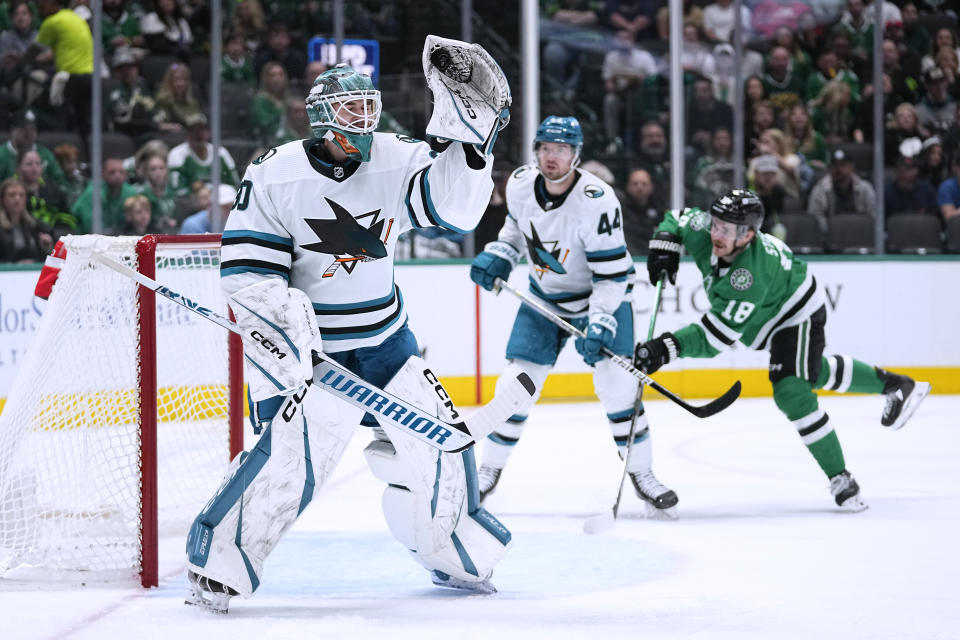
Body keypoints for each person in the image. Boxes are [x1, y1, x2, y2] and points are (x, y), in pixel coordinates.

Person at [185, 49, 513, 613]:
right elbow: (247, 274)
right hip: (314, 356)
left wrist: (473, 147)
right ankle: (217, 561)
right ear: (322, 118)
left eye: (370, 107)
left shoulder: (396, 156)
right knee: (289, 461)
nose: (365, 121)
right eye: (352, 109)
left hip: (388, 345)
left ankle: (456, 551)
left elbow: (455, 212)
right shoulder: (274, 171)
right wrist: (291, 334)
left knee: (444, 444)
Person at [632, 189, 931, 512]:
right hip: (769, 312)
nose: (717, 234)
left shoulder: (749, 277)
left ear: (748, 235)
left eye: (727, 230)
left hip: (794, 312)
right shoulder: (708, 230)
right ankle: (895, 385)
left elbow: (715, 338)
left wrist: (664, 349)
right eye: (716, 224)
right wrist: (665, 240)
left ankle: (842, 478)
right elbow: (677, 218)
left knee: (792, 389)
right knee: (808, 371)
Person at [469, 115, 678, 516]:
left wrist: (599, 319)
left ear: (576, 156)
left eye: (561, 150)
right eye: (546, 148)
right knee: (515, 387)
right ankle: (489, 469)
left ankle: (643, 473)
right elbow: (516, 231)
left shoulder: (597, 201)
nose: (552, 157)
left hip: (601, 298)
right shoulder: (518, 184)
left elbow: (613, 275)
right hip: (544, 300)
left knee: (617, 385)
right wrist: (499, 255)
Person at [167, 112, 239, 196]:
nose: (198, 134)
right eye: (193, 130)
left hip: (222, 202)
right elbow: (177, 192)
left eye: (202, 129)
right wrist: (194, 190)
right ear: (187, 133)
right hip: (191, 206)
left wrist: (213, 191)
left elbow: (236, 185)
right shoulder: (177, 155)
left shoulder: (220, 153)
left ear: (208, 132)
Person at [807, 149, 876, 225]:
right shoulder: (820, 189)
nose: (838, 169)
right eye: (835, 166)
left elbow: (874, 216)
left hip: (859, 232)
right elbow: (815, 219)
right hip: (831, 234)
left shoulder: (865, 188)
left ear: (852, 167)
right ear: (830, 168)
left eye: (843, 165)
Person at [71, 156, 139, 232]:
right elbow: (91, 228)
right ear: (102, 174)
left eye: (121, 172)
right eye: (112, 172)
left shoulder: (130, 192)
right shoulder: (93, 193)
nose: (117, 176)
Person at [0, 177, 53, 262]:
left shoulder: (35, 225)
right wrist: (14, 266)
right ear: (2, 199)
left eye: (21, 195)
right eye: (11, 195)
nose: (17, 199)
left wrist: (47, 248)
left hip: (32, 273)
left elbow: (46, 258)